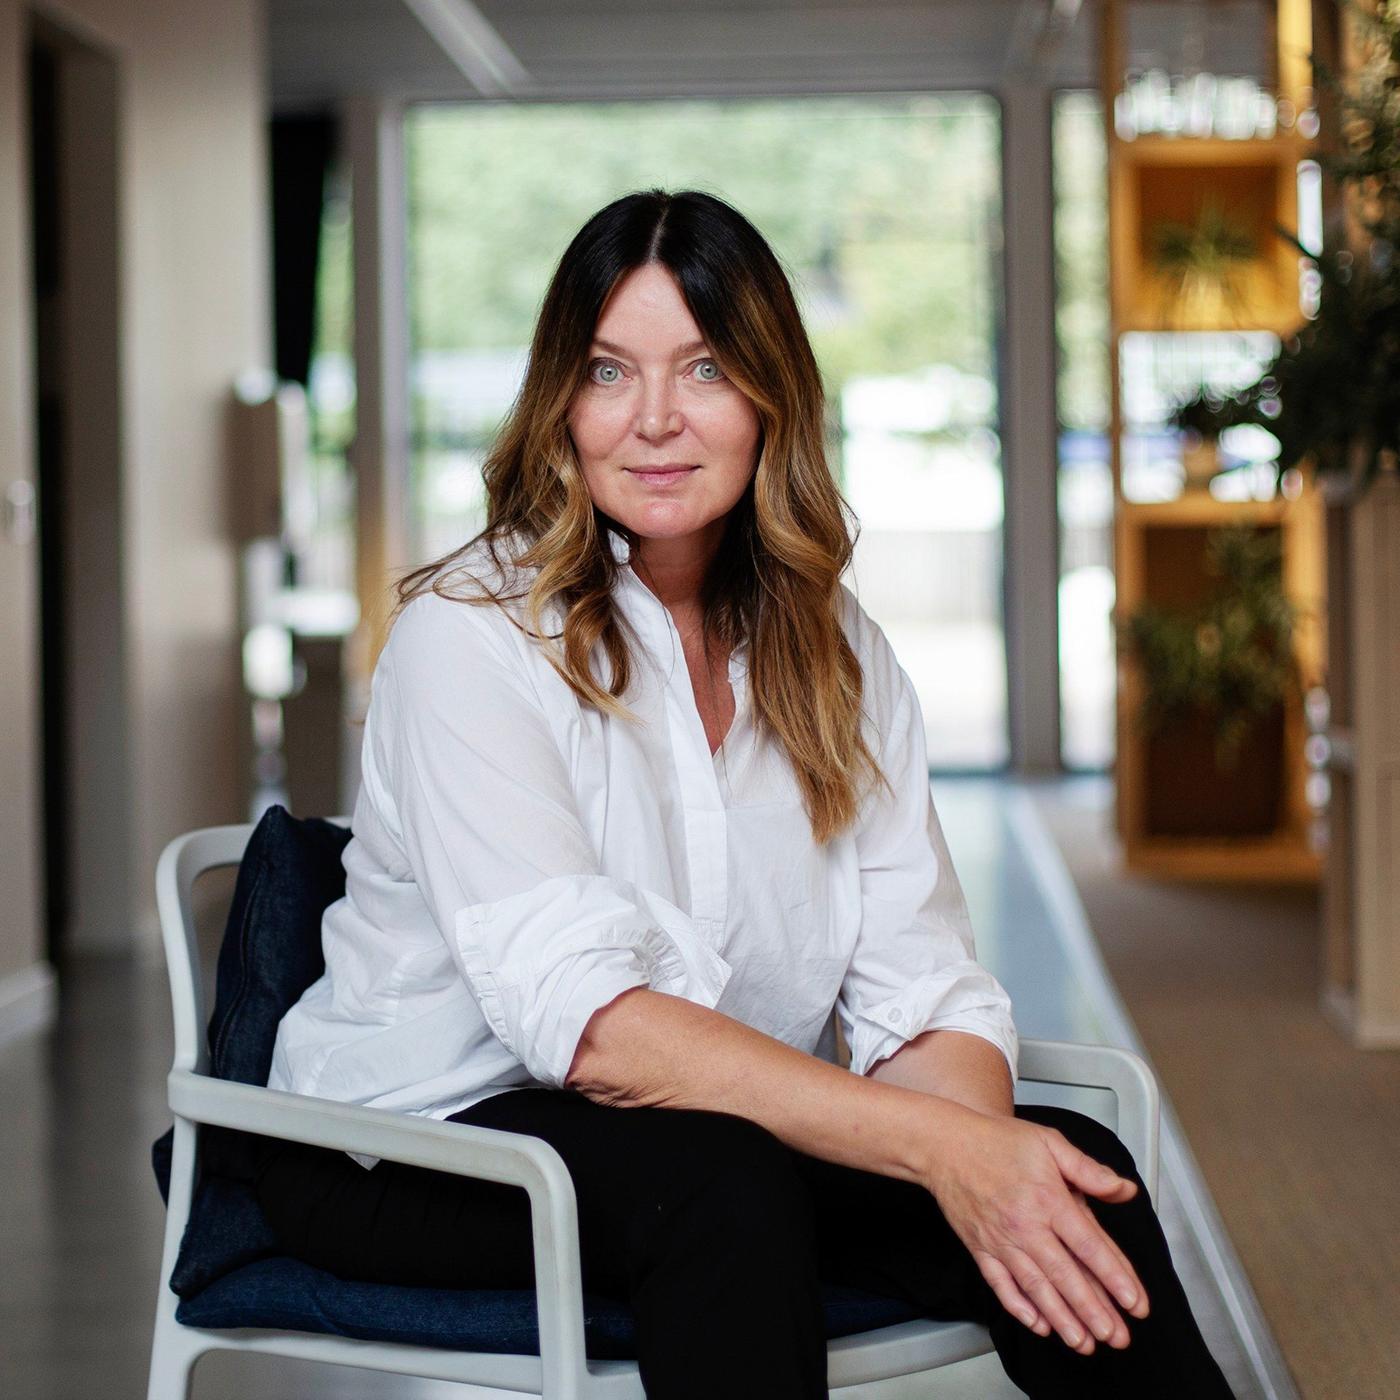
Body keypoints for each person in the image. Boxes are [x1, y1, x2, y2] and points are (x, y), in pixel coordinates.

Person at [257, 188, 1233, 1399]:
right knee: (723, 1185)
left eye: (705, 367)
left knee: (1064, 1161)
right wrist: (935, 1150)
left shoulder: (839, 651)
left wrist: (980, 1156)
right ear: (559, 398)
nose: (654, 419)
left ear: (771, 393)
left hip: (711, 1137)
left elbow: (915, 991)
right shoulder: (471, 635)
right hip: (408, 1141)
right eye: (610, 370)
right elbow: (596, 1029)